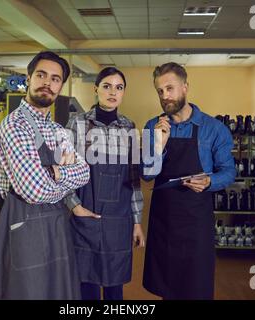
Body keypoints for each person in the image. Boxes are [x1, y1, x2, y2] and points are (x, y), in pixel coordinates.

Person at [0, 51, 90, 300]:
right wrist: (65, 177)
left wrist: (53, 172)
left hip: (56, 226)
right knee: (29, 292)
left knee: (59, 291)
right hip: (25, 227)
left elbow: (85, 172)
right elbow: (33, 191)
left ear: (60, 86)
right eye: (41, 75)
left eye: (55, 79)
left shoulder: (57, 129)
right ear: (29, 78)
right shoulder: (14, 126)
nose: (48, 83)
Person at [141, 62, 236, 300]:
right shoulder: (152, 126)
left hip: (196, 221)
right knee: (167, 288)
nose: (165, 96)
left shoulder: (214, 129)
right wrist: (159, 144)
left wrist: (208, 181)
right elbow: (146, 173)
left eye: (170, 88)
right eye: (160, 91)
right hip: (164, 220)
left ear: (185, 87)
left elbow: (228, 171)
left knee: (196, 286)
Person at [64, 67, 146, 300]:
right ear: (96, 89)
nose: (113, 92)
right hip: (84, 215)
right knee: (86, 281)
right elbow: (65, 172)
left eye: (119, 88)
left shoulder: (129, 127)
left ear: (123, 93)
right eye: (107, 86)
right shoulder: (77, 124)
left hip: (118, 220)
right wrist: (75, 206)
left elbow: (133, 178)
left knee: (114, 283)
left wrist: (137, 221)